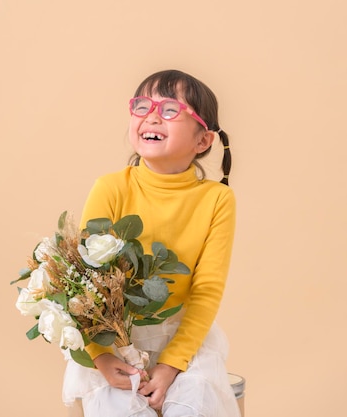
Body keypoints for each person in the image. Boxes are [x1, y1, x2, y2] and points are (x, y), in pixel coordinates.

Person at [62, 69, 240, 417]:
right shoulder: (111, 188)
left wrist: (171, 364)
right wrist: (100, 355)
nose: (152, 116)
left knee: (193, 406)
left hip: (183, 338)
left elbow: (206, 290)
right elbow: (84, 281)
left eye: (171, 110)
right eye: (142, 106)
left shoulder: (217, 200)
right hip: (111, 339)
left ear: (202, 141)